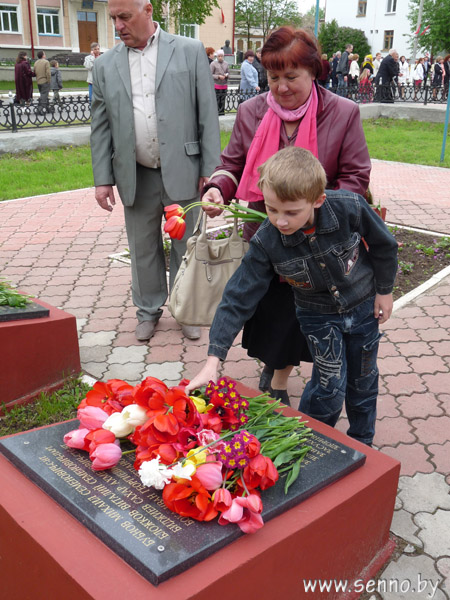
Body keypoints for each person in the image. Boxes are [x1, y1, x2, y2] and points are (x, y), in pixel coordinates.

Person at [200, 26, 371, 403]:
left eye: (291, 77)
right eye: (273, 77)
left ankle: (278, 379)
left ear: (314, 72)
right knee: (271, 311)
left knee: (300, 313)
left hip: (317, 240)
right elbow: (232, 164)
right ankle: (275, 368)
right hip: (268, 234)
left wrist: (319, 212)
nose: (280, 87)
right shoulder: (251, 111)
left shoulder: (342, 113)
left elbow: (356, 176)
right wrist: (216, 187)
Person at [187, 147, 398, 447]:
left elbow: (384, 245)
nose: (280, 221)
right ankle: (308, 441)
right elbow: (238, 297)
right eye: (272, 210)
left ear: (317, 199)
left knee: (363, 382)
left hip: (362, 306)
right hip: (317, 314)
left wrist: (385, 291)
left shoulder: (348, 206)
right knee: (330, 385)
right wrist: (213, 360)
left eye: (291, 212)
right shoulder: (267, 241)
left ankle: (362, 441)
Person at [90, 0, 221, 342]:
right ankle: (148, 311)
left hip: (185, 168)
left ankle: (185, 309)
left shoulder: (190, 51)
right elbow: (100, 126)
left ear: (147, 10)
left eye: (125, 16)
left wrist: (211, 169)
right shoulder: (105, 65)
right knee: (143, 247)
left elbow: (207, 112)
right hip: (135, 172)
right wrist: (103, 179)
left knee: (186, 244)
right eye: (113, 18)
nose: (118, 25)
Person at [210, 49, 229, 115]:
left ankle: (222, 111)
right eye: (219, 56)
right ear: (217, 56)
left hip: (224, 84)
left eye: (221, 56)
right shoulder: (213, 64)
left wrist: (226, 75)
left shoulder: (226, 63)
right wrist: (218, 76)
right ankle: (217, 112)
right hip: (216, 85)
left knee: (223, 99)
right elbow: (210, 74)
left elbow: (228, 72)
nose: (220, 57)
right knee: (217, 99)